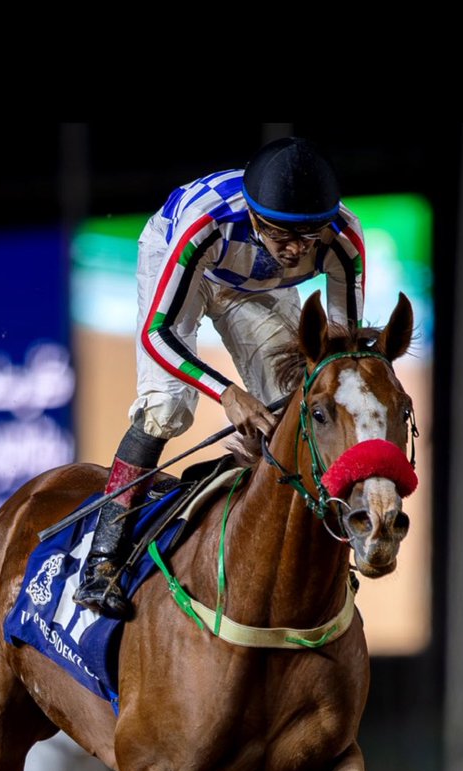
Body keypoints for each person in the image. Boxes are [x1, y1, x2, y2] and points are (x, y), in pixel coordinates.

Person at [73, 135, 366, 620]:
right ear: (253, 217)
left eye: (308, 237)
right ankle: (103, 559)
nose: (294, 251)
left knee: (299, 404)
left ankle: (315, 544)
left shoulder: (343, 240)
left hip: (256, 290)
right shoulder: (204, 227)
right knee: (167, 409)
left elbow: (340, 358)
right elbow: (157, 333)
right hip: (185, 263)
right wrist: (227, 394)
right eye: (280, 234)